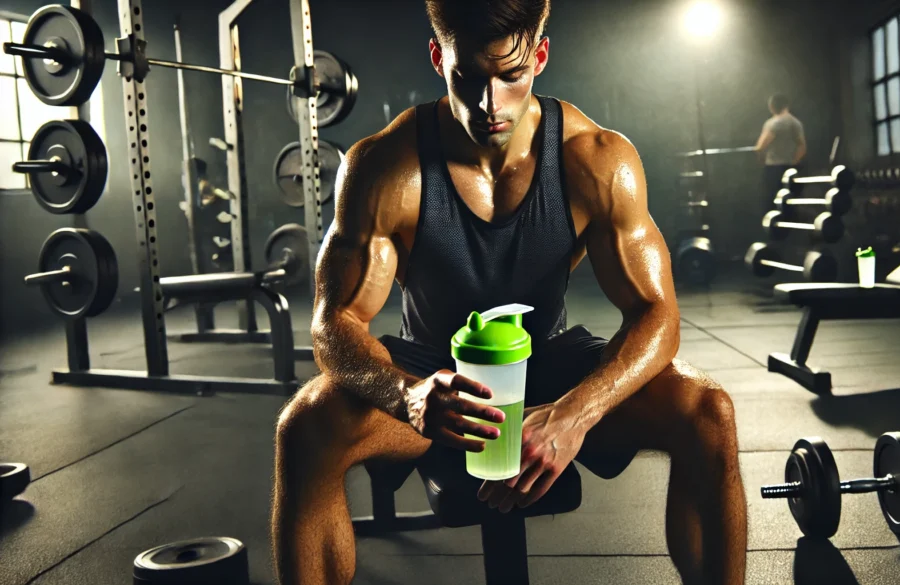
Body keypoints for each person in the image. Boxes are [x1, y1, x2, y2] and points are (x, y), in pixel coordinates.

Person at [271, 1, 746, 584]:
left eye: (510, 75)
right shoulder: (386, 167)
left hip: (548, 366)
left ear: (540, 56)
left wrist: (575, 413)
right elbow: (333, 323)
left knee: (707, 411)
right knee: (305, 426)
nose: (488, 104)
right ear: (438, 58)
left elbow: (657, 313)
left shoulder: (596, 160)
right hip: (435, 378)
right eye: (468, 78)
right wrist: (407, 394)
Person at [755, 93, 806, 211]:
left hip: (774, 169)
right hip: (791, 168)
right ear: (787, 105)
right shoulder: (795, 123)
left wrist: (761, 161)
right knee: (791, 203)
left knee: (774, 204)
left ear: (771, 106)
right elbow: (802, 147)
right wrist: (794, 163)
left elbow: (760, 147)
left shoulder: (773, 123)